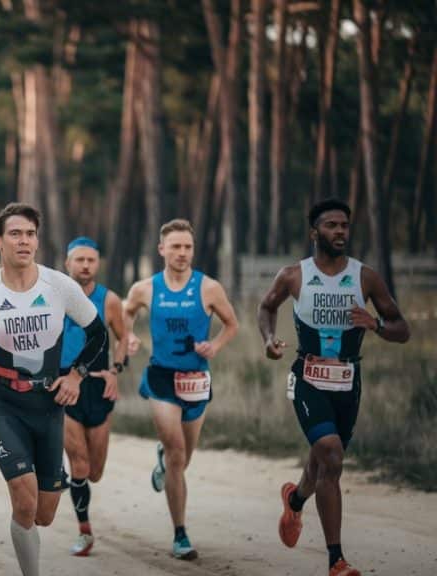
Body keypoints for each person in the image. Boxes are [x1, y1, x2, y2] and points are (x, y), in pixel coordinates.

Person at [0, 203, 108, 576]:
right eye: (16, 234)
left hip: (49, 405)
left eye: (31, 234)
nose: (24, 241)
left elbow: (97, 333)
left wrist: (76, 376)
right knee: (22, 496)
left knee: (44, 514)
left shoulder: (59, 286)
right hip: (6, 404)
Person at [257, 198, 410, 576]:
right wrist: (269, 340)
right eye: (331, 225)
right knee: (332, 456)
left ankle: (295, 500)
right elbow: (266, 307)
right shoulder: (294, 275)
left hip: (348, 380)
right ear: (314, 233)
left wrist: (374, 325)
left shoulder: (366, 277)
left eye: (344, 225)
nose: (340, 231)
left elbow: (402, 329)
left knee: (323, 462)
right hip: (308, 377)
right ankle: (336, 560)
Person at [122, 218, 239, 560]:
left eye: (187, 246)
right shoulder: (145, 288)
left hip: (196, 381)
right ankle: (180, 534)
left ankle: (164, 461)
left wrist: (215, 346)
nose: (182, 253)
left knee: (183, 458)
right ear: (161, 250)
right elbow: (126, 313)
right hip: (161, 378)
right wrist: (128, 336)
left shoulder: (209, 288)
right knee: (176, 454)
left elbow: (232, 324)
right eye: (175, 246)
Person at [58, 237, 128, 557]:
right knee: (80, 466)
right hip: (64, 387)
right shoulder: (53, 297)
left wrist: (115, 369)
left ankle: (70, 477)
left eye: (91, 260)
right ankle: (84, 531)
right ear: (67, 263)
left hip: (99, 388)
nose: (85, 265)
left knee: (95, 472)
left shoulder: (109, 300)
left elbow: (123, 338)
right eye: (79, 260)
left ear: (97, 263)